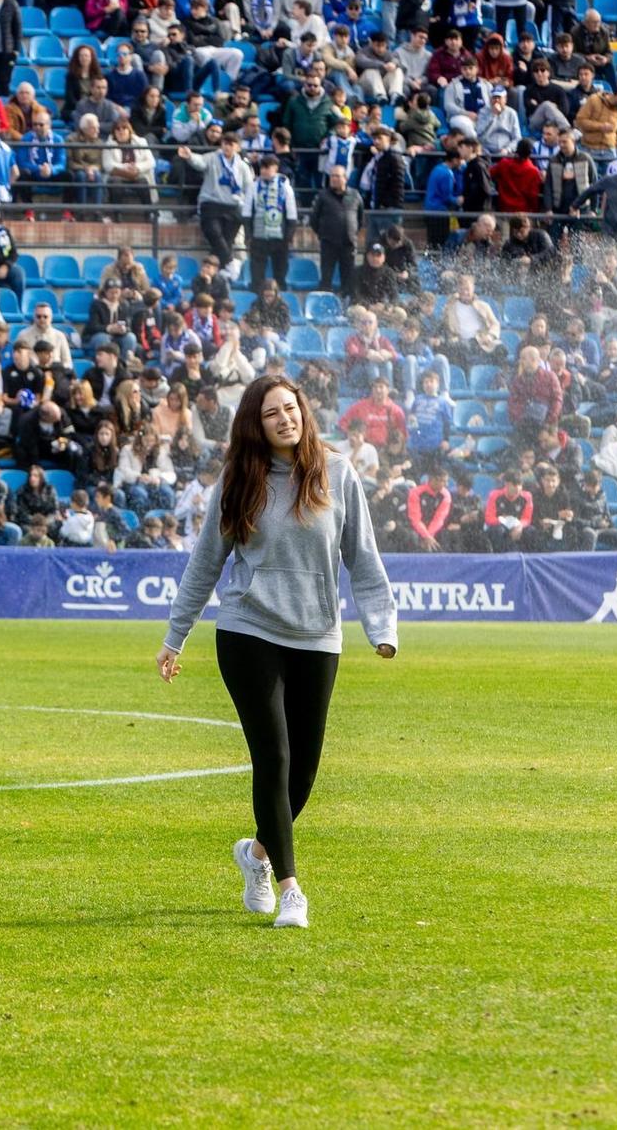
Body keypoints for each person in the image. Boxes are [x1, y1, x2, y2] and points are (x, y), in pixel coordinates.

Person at [157, 376, 397, 931]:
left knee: (304, 771)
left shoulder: (338, 473)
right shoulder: (240, 479)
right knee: (274, 756)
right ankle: (290, 889)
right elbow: (205, 562)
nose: (285, 418)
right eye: (272, 413)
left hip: (316, 635)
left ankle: (257, 854)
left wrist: (381, 625)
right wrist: (177, 635)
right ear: (255, 424)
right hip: (248, 631)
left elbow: (363, 556)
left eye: (291, 409)